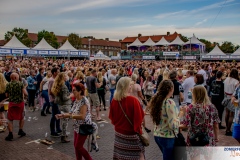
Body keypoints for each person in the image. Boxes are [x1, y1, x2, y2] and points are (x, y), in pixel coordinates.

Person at [109, 77, 145, 160]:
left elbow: (112, 117)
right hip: (131, 135)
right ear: (125, 87)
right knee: (139, 155)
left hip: (119, 135)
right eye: (129, 85)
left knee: (121, 156)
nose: (131, 87)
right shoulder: (133, 100)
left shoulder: (115, 100)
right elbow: (139, 119)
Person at [180, 86, 220, 160]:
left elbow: (185, 124)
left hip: (194, 136)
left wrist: (182, 113)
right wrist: (216, 137)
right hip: (208, 136)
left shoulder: (191, 107)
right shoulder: (212, 107)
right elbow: (216, 124)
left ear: (194, 94)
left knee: (195, 157)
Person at [149, 80, 185, 160]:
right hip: (167, 136)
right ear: (171, 89)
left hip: (157, 134)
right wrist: (181, 114)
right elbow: (173, 125)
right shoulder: (169, 102)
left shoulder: (156, 100)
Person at [56, 83, 93, 160]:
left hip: (84, 126)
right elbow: (71, 112)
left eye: (74, 91)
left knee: (78, 146)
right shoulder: (76, 100)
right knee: (76, 146)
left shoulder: (84, 101)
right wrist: (62, 115)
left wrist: (70, 116)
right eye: (72, 91)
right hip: (77, 126)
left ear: (80, 91)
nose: (72, 93)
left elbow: (82, 116)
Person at [5, 73, 28, 141]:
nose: (18, 78)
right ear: (15, 77)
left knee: (10, 118)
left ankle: (10, 134)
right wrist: (25, 97)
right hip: (20, 103)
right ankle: (20, 130)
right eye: (17, 77)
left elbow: (6, 95)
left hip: (11, 103)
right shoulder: (20, 84)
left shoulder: (8, 84)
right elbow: (25, 93)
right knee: (21, 117)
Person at [52, 72, 72, 143]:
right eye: (65, 76)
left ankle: (64, 134)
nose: (66, 77)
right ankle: (63, 136)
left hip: (60, 105)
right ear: (63, 78)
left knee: (63, 120)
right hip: (65, 105)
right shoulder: (63, 86)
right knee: (65, 121)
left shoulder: (57, 84)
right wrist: (70, 96)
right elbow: (64, 98)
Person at [223, 68, 239, 136]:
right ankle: (228, 129)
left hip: (226, 97)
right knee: (231, 115)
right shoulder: (236, 81)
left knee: (227, 113)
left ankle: (227, 127)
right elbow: (237, 91)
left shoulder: (226, 79)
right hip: (233, 98)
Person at [48, 67, 62, 137]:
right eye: (58, 72)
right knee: (54, 115)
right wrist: (57, 94)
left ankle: (58, 128)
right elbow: (50, 91)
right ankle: (52, 131)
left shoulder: (56, 80)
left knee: (58, 114)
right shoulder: (51, 80)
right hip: (54, 100)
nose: (59, 73)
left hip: (57, 100)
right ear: (54, 73)